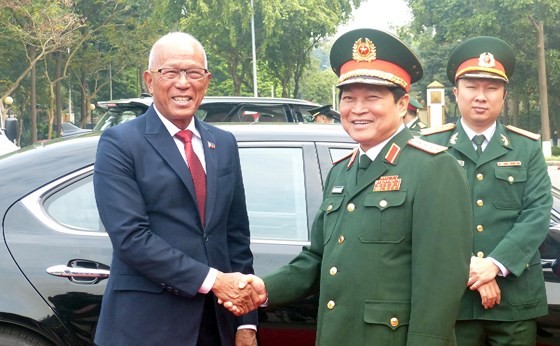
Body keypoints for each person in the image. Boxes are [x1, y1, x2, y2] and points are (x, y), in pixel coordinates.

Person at [229, 28, 474, 345]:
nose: (358, 109)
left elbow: (439, 285)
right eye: (348, 98)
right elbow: (315, 259)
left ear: (402, 105)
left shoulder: (433, 168)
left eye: (372, 97)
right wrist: (264, 289)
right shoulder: (341, 172)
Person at [93, 32, 258, 346]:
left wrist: (245, 324)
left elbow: (235, 235)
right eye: (170, 72)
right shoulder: (120, 143)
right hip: (145, 328)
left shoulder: (223, 143)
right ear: (149, 80)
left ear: (206, 80)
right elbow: (131, 238)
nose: (183, 83)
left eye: (193, 73)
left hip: (215, 325)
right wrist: (213, 281)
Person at [421, 36, 552, 346]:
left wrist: (493, 265)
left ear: (504, 95)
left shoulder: (526, 147)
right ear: (455, 93)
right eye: (471, 87)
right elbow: (421, 218)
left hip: (514, 303)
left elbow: (537, 214)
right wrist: (470, 269)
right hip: (452, 302)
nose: (481, 96)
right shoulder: (429, 146)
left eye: (491, 88)